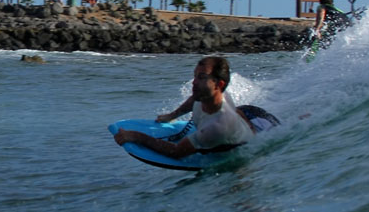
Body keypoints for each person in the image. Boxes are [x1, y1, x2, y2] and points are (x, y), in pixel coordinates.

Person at [113, 56, 274, 159]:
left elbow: (176, 152)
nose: (194, 82)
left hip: (263, 125)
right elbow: (194, 100)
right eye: (195, 76)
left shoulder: (217, 128)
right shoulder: (204, 95)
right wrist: (172, 115)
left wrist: (136, 136)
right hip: (246, 113)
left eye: (202, 77)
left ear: (219, 84)